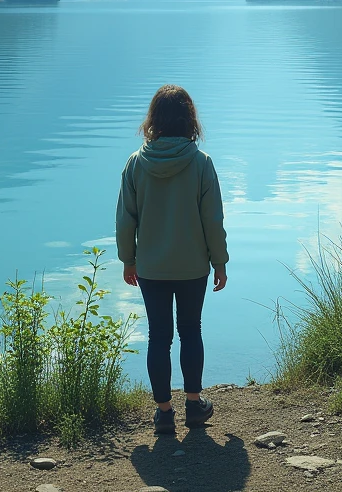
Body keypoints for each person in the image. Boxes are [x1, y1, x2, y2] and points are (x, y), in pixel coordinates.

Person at [116, 84, 229, 436]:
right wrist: (220, 261)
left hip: (151, 267)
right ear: (189, 120)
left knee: (159, 337)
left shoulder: (136, 164)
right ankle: (194, 406)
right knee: (190, 331)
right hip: (193, 266)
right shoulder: (200, 164)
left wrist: (128, 260)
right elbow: (213, 220)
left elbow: (125, 219)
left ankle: (164, 413)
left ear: (154, 121)